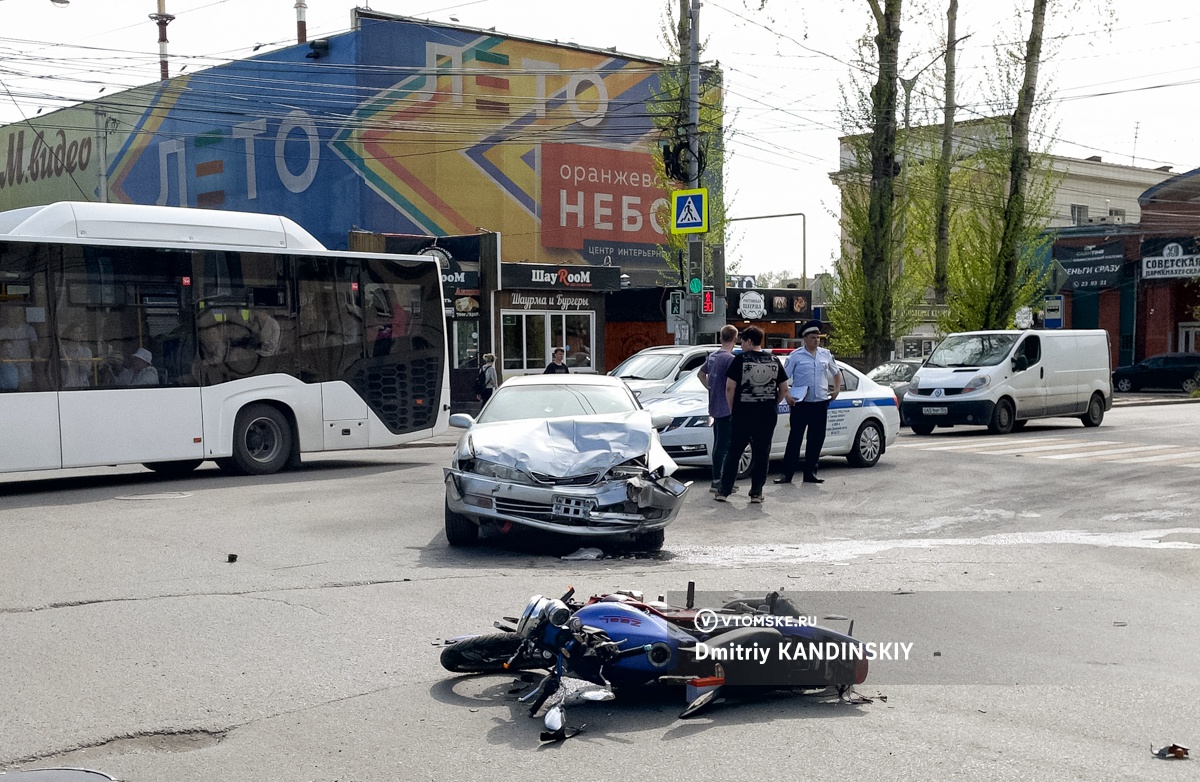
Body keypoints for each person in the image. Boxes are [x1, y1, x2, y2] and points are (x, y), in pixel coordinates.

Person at [715, 326, 788, 504]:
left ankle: (724, 491)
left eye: (742, 341)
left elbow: (730, 387)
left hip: (743, 413)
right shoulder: (774, 360)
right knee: (762, 453)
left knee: (734, 451)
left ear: (748, 341)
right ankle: (756, 492)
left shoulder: (740, 359)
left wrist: (733, 408)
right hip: (767, 414)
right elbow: (784, 388)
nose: (741, 344)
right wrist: (772, 403)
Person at [776, 320, 842, 484]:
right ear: (805, 339)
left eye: (818, 337)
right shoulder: (796, 356)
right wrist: (787, 395)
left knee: (816, 439)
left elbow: (836, 372)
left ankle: (810, 473)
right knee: (795, 439)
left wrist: (837, 390)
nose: (816, 340)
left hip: (820, 403)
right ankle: (787, 474)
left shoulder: (825, 354)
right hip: (801, 404)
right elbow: (783, 378)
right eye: (813, 337)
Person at [698, 324, 740, 493]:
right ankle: (719, 480)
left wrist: (710, 387)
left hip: (714, 405)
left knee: (718, 442)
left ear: (721, 337)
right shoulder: (730, 359)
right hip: (727, 406)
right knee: (724, 445)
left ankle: (718, 478)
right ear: (735, 339)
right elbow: (732, 385)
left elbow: (701, 374)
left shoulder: (713, 357)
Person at [0, 306, 37, 391]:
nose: (16, 316)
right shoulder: (2, 331)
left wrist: (36, 354)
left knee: (25, 388)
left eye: (18, 313)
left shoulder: (28, 329)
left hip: (25, 362)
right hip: (7, 365)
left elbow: (34, 345)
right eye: (13, 313)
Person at [60, 323, 94, 388]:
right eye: (76, 332)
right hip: (66, 384)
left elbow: (88, 369)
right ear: (69, 334)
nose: (79, 335)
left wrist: (78, 361)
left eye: (80, 332)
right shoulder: (62, 350)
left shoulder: (87, 351)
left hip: (82, 385)